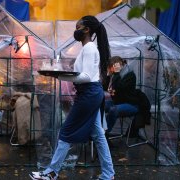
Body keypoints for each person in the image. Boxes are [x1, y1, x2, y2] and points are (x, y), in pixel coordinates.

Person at [30, 16, 115, 180]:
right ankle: (108, 175)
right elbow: (85, 75)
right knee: (98, 135)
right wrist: (60, 75)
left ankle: (51, 172)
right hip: (90, 93)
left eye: (78, 27)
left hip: (89, 93)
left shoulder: (89, 48)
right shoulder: (87, 48)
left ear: (87, 30)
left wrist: (60, 75)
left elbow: (86, 76)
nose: (75, 31)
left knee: (66, 131)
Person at [104, 56, 150, 137]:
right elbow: (110, 90)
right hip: (119, 102)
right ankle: (97, 130)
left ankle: (104, 135)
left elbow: (120, 88)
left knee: (113, 110)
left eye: (114, 66)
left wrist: (116, 74)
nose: (113, 68)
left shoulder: (130, 75)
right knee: (100, 105)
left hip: (131, 104)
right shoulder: (115, 75)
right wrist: (109, 76)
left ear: (120, 64)